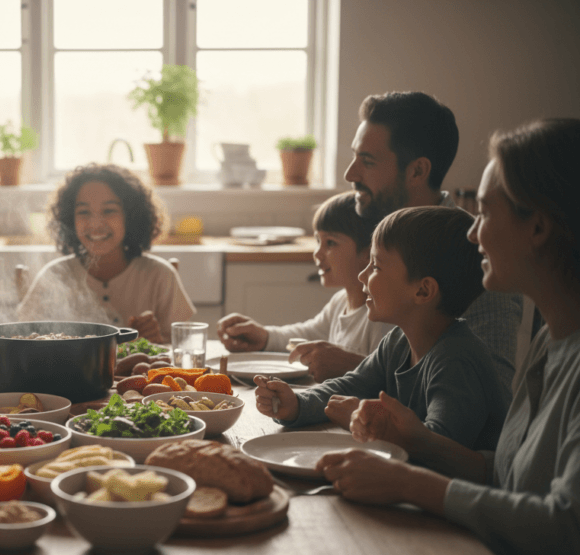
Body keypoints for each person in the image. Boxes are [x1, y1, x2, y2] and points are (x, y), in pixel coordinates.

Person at [316, 119, 580, 555]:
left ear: (537, 227)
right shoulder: (551, 340)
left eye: (483, 213)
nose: (474, 234)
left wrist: (413, 484)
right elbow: (507, 473)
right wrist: (418, 440)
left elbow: (566, 529)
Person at [259, 91, 522, 389]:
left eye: (366, 161)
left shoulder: (475, 257)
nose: (350, 173)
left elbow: (489, 392)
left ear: (417, 171)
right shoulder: (379, 240)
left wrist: (357, 369)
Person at [256, 206, 510, 451]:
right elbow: (349, 386)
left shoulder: (457, 360)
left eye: (375, 266)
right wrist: (296, 404)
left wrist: (365, 419)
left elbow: (439, 449)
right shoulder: (398, 341)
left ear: (422, 291)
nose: (362, 276)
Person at [215, 193, 393, 380]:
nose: (317, 253)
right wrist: (264, 337)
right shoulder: (341, 301)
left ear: (368, 253)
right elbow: (308, 334)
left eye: (330, 243)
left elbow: (387, 380)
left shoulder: (381, 317)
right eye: (318, 241)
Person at [17, 164, 195, 342]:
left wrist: (158, 340)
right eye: (84, 212)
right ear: (70, 220)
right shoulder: (54, 275)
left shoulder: (159, 275)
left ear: (131, 216)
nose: (96, 223)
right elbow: (24, 339)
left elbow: (186, 345)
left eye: (109, 210)